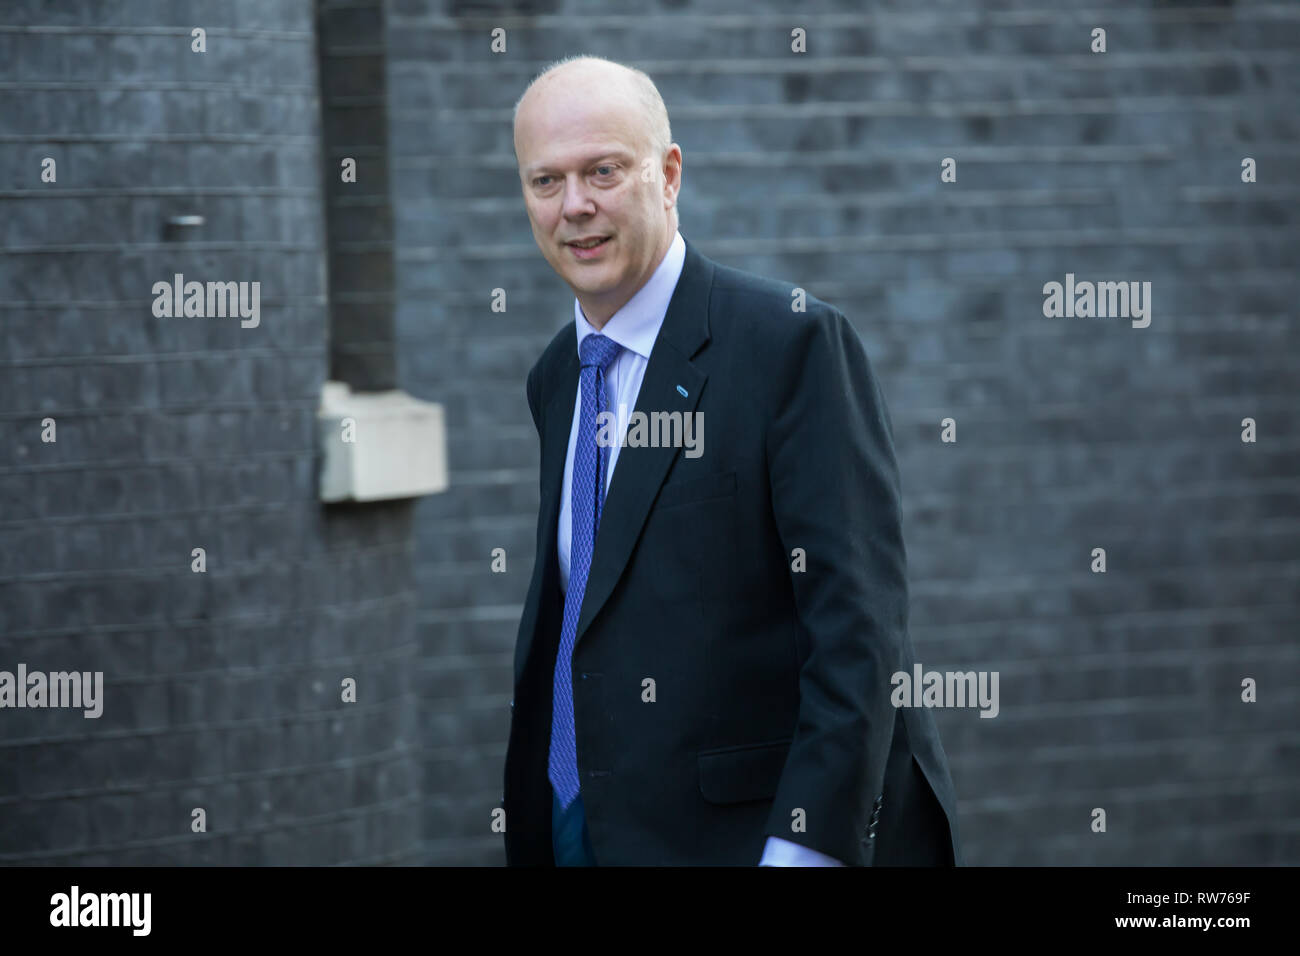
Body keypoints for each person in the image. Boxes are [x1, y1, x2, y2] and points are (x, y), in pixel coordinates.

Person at [503, 55, 962, 866]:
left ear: (668, 173)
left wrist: (804, 849)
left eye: (602, 171)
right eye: (546, 181)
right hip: (585, 833)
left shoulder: (789, 345)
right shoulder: (556, 380)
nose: (575, 206)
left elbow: (859, 628)